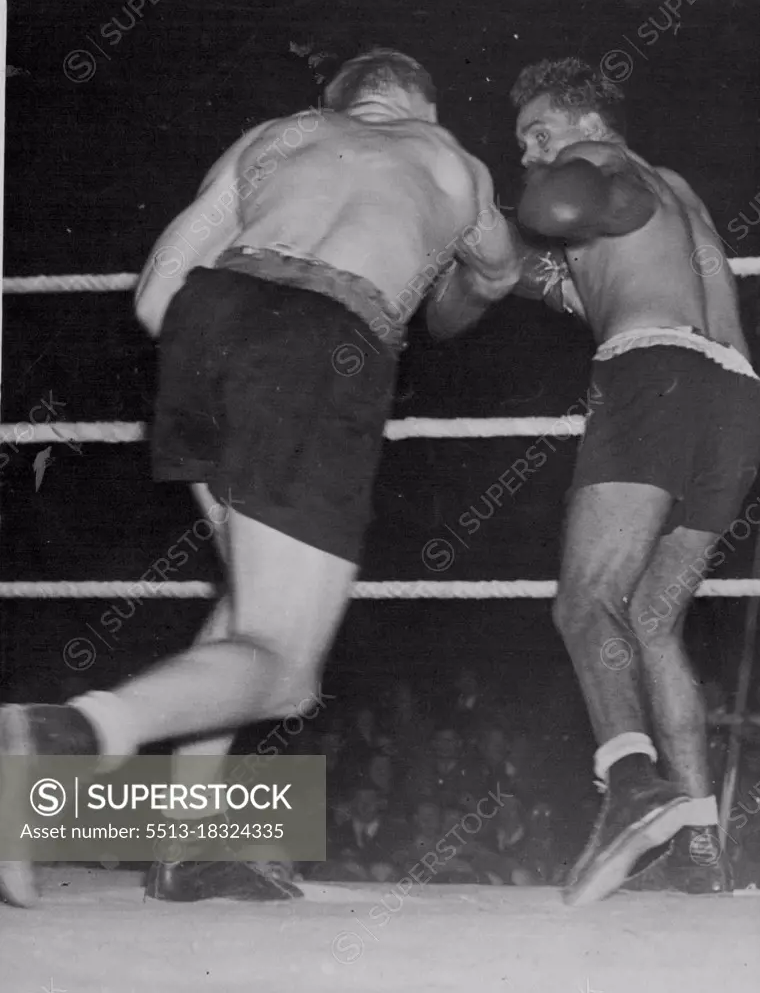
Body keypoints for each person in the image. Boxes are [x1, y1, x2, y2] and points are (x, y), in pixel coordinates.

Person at [0, 48, 521, 908]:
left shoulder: (274, 139)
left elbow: (153, 296)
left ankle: (185, 845)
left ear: (339, 103)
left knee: (249, 605)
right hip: (322, 339)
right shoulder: (451, 159)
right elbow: (497, 272)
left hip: (208, 324)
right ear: (421, 106)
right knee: (284, 668)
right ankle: (65, 737)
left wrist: (238, 359)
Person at [509, 57, 760, 906]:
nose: (529, 153)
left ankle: (631, 787)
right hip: (733, 397)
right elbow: (610, 274)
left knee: (586, 602)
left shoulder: (602, 165)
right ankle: (700, 846)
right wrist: (546, 274)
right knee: (654, 621)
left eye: (538, 133)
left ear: (584, 121)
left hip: (653, 377)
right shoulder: (671, 184)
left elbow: (565, 205)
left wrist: (541, 207)